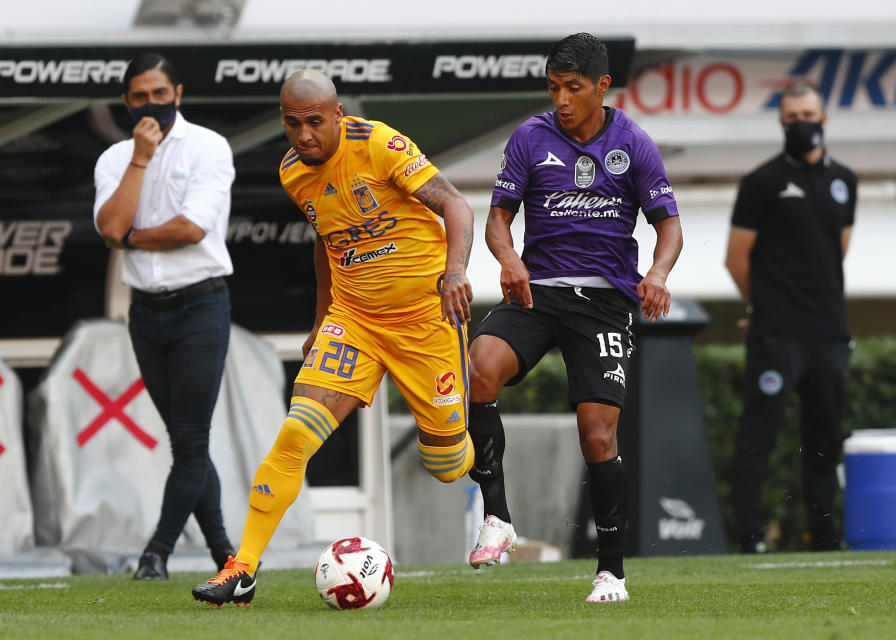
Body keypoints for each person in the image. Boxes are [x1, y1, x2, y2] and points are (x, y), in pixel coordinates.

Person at [191, 69, 476, 607]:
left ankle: (473, 422)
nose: (303, 135)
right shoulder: (292, 173)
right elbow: (326, 242)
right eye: (292, 124)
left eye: (315, 122)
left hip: (425, 321)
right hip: (357, 321)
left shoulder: (382, 147)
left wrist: (456, 273)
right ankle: (243, 567)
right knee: (296, 433)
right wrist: (323, 319)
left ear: (338, 115)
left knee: (446, 466)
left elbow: (456, 206)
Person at [465, 33, 683, 603]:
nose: (561, 99)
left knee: (596, 433)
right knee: (481, 367)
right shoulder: (529, 138)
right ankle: (498, 518)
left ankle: (610, 571)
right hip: (538, 293)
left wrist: (656, 275)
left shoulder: (633, 142)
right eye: (554, 87)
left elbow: (669, 225)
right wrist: (510, 260)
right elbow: (497, 221)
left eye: (574, 87)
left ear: (602, 86)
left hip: (606, 302)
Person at [93, 53, 237, 580]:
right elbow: (110, 227)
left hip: (200, 305)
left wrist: (130, 237)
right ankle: (226, 553)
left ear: (177, 92)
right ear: (126, 101)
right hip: (146, 315)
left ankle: (157, 552)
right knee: (186, 442)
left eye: (158, 92)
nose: (149, 104)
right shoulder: (114, 159)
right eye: (138, 96)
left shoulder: (208, 146)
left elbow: (191, 228)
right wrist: (140, 158)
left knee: (191, 439)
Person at [725, 79, 856, 554]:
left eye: (808, 115)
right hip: (777, 333)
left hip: (829, 333)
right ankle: (751, 539)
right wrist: (761, 304)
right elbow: (736, 258)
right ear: (782, 121)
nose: (801, 123)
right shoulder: (761, 182)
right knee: (759, 437)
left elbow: (837, 251)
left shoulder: (846, 181)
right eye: (792, 117)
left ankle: (826, 537)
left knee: (824, 440)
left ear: (824, 118)